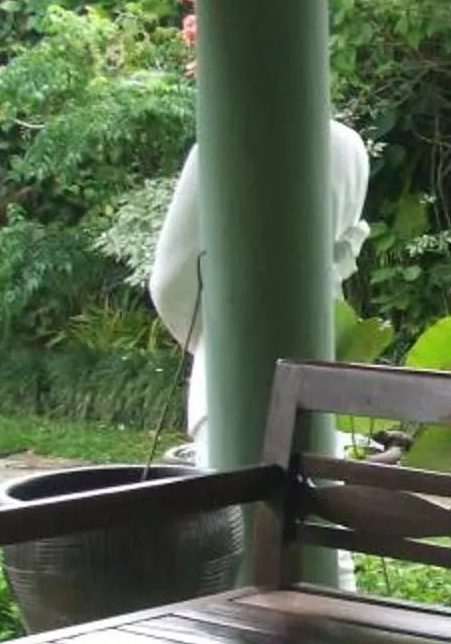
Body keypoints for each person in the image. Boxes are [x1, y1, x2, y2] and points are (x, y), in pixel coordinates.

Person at [147, 118, 371, 449]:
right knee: (314, 485)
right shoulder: (350, 147)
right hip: (322, 345)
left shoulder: (221, 149)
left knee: (234, 491)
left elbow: (169, 281)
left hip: (233, 371)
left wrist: (209, 339)